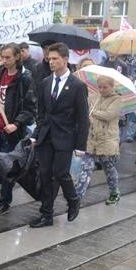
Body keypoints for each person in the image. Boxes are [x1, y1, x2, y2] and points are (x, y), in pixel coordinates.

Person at [30, 42, 89, 228]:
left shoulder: (77, 85)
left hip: (65, 136)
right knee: (45, 174)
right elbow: (42, 112)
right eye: (49, 59)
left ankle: (73, 199)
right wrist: (36, 134)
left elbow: (83, 118)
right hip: (46, 136)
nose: (51, 62)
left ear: (65, 59)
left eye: (55, 59)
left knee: (61, 173)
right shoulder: (45, 83)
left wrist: (80, 146)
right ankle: (46, 214)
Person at [0, 43, 37, 215]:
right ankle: (11, 179)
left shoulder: (25, 78)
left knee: (5, 165)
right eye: (2, 57)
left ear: (17, 57)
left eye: (8, 57)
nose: (4, 61)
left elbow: (30, 108)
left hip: (11, 129)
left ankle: (4, 201)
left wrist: (17, 123)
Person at [74, 76, 122, 203]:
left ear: (112, 87)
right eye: (99, 87)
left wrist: (92, 112)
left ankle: (114, 192)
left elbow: (109, 115)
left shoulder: (117, 99)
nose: (102, 90)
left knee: (108, 168)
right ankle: (77, 197)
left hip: (107, 141)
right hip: (91, 139)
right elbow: (84, 111)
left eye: (105, 87)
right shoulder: (94, 97)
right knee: (86, 168)